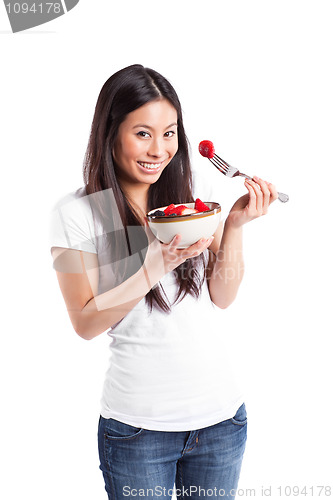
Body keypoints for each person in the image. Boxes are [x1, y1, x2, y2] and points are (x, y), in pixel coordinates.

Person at [50, 64, 278, 499]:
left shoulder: (190, 198)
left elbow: (223, 296)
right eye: (143, 133)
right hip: (138, 431)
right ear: (110, 132)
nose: (159, 149)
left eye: (170, 133)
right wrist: (152, 266)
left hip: (221, 423)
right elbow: (84, 323)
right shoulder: (75, 213)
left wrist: (233, 226)